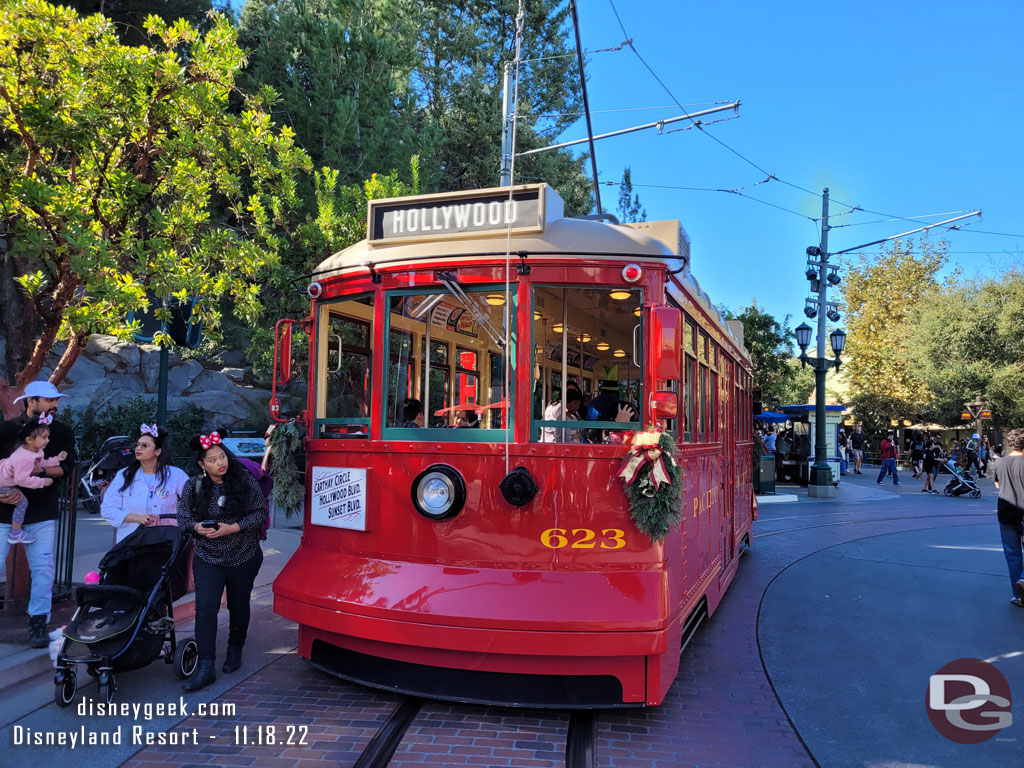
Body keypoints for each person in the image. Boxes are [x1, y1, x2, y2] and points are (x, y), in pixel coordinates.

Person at [177, 431, 267, 691]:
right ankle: (206, 666)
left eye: (222, 457)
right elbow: (183, 519)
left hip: (243, 555)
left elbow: (260, 512)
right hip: (208, 556)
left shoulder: (244, 480)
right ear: (202, 465)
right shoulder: (193, 486)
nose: (220, 463)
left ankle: (235, 648)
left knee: (239, 605)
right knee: (205, 607)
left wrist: (234, 527)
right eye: (213, 459)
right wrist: (196, 527)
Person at [0, 381, 76, 648]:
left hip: (42, 511)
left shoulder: (62, 433)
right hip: (2, 512)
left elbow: (66, 467)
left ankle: (38, 623)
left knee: (43, 569)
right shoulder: (6, 431)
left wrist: (37, 471)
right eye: (48, 400)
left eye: (56, 400)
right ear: (31, 401)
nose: (55, 404)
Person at [100, 424, 189, 543]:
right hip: (130, 541)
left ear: (157, 451)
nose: (138, 448)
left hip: (165, 541)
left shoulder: (176, 475)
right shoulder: (124, 475)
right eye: (137, 445)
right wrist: (138, 518)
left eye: (144, 445)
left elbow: (193, 501)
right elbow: (108, 509)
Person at [0, 416, 67, 543]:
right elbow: (21, 480)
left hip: (6, 478)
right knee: (22, 502)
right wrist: (42, 482)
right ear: (30, 440)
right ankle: (15, 533)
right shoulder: (23, 458)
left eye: (48, 436)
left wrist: (56, 459)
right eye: (44, 437)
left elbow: (41, 464)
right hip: (3, 484)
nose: (47, 440)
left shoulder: (36, 450)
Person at [992, 428, 1024, 607]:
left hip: (1006, 513)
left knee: (1013, 555)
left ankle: (1018, 595)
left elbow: (997, 484)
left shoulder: (999, 463)